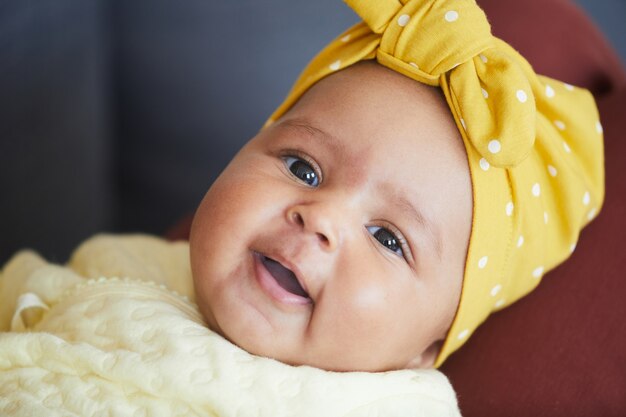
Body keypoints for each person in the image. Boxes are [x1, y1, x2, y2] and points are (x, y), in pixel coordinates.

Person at [0, 0, 604, 415]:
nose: (321, 217)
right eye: (302, 168)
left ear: (425, 347)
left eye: (389, 238)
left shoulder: (387, 404)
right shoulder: (128, 261)